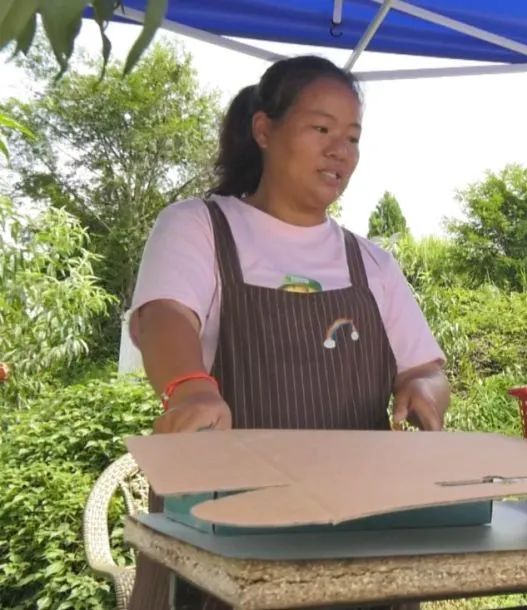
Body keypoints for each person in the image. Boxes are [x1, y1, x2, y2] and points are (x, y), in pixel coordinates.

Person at [126, 55, 448, 610]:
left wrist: (424, 392)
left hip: (361, 541)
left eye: (351, 137)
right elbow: (165, 316)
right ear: (264, 130)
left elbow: (426, 368)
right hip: (225, 538)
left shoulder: (371, 263)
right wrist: (191, 386)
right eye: (321, 129)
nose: (339, 150)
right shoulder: (201, 224)